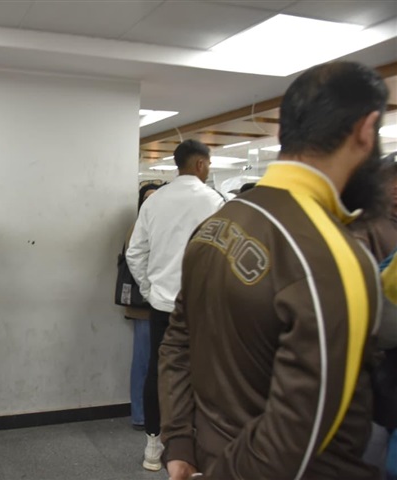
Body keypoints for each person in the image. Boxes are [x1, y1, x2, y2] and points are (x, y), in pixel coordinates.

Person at [158, 61, 388, 480]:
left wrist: (178, 442)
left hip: (212, 455)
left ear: (284, 131)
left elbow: (177, 343)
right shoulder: (335, 260)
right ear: (366, 130)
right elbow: (291, 442)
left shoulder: (217, 223)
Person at [125, 139, 224, 471]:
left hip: (162, 304)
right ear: (200, 164)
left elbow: (135, 253)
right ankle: (195, 447)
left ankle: (153, 446)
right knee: (202, 373)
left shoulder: (155, 201)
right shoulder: (215, 201)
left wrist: (149, 288)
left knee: (158, 371)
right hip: (202, 306)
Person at [125, 182, 162, 431]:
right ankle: (140, 413)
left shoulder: (160, 225)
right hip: (144, 305)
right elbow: (135, 259)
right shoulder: (137, 227)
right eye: (147, 198)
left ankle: (155, 412)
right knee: (143, 361)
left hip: (161, 304)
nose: (152, 202)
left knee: (158, 361)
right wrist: (149, 291)